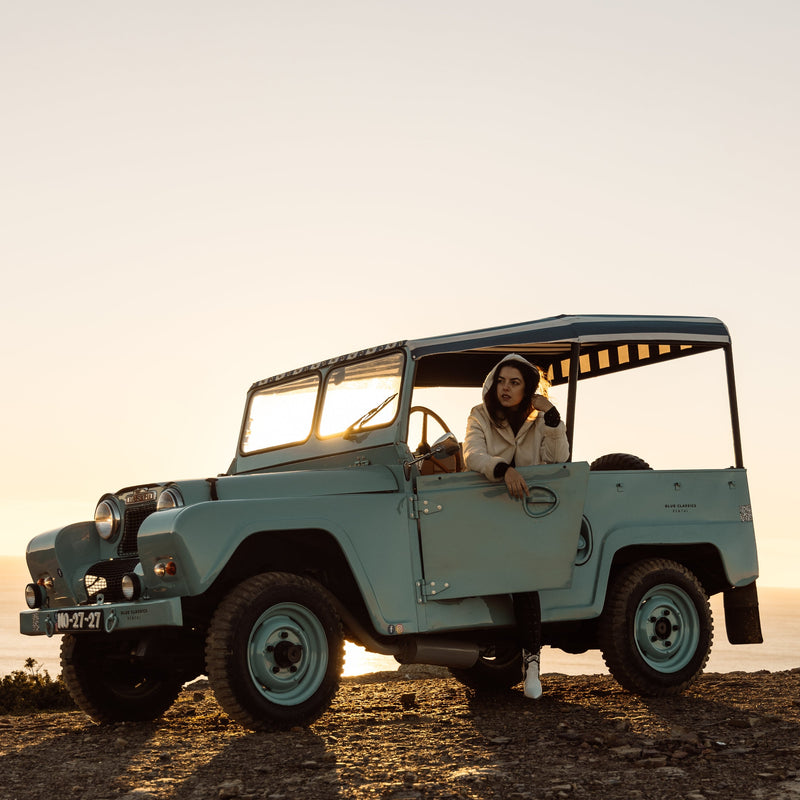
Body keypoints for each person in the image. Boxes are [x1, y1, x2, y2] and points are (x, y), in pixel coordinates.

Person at [463, 353, 570, 699]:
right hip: (488, 508)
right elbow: (472, 454)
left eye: (515, 383)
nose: (506, 388)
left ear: (528, 390)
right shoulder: (479, 415)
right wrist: (502, 470)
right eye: (501, 381)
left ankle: (532, 666)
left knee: (524, 580)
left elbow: (558, 460)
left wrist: (552, 417)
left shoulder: (540, 420)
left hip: (528, 511)